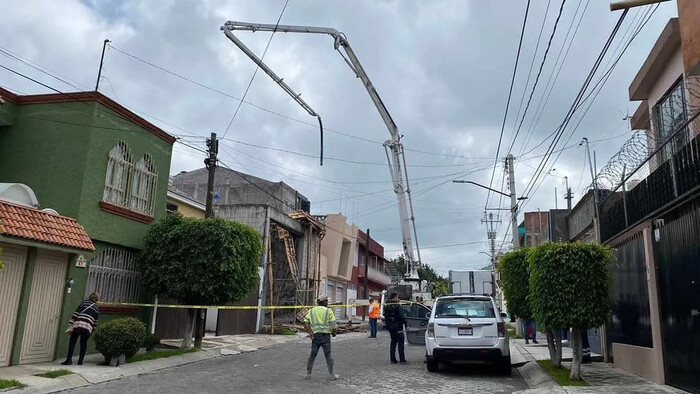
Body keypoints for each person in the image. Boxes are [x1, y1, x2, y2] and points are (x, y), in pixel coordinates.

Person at [304, 295, 338, 380]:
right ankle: (332, 375)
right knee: (328, 355)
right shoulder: (328, 311)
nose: (327, 302)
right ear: (323, 302)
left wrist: (310, 332)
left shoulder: (311, 311)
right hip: (325, 336)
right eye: (326, 301)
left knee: (313, 355)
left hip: (315, 336)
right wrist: (334, 333)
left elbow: (305, 322)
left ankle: (308, 374)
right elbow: (333, 324)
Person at [62, 292, 100, 365]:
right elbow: (95, 322)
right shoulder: (96, 308)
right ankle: (80, 361)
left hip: (78, 325)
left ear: (89, 297)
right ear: (97, 299)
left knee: (72, 341)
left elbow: (76, 313)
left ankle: (69, 360)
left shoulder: (83, 303)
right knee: (83, 343)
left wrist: (71, 322)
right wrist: (92, 331)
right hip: (87, 327)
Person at [383, 292, 408, 364]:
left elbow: (386, 316)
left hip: (391, 327)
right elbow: (402, 316)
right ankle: (402, 359)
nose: (398, 298)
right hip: (398, 327)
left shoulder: (387, 306)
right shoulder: (397, 306)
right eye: (397, 297)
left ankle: (393, 359)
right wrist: (406, 324)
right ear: (394, 298)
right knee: (400, 343)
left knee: (393, 343)